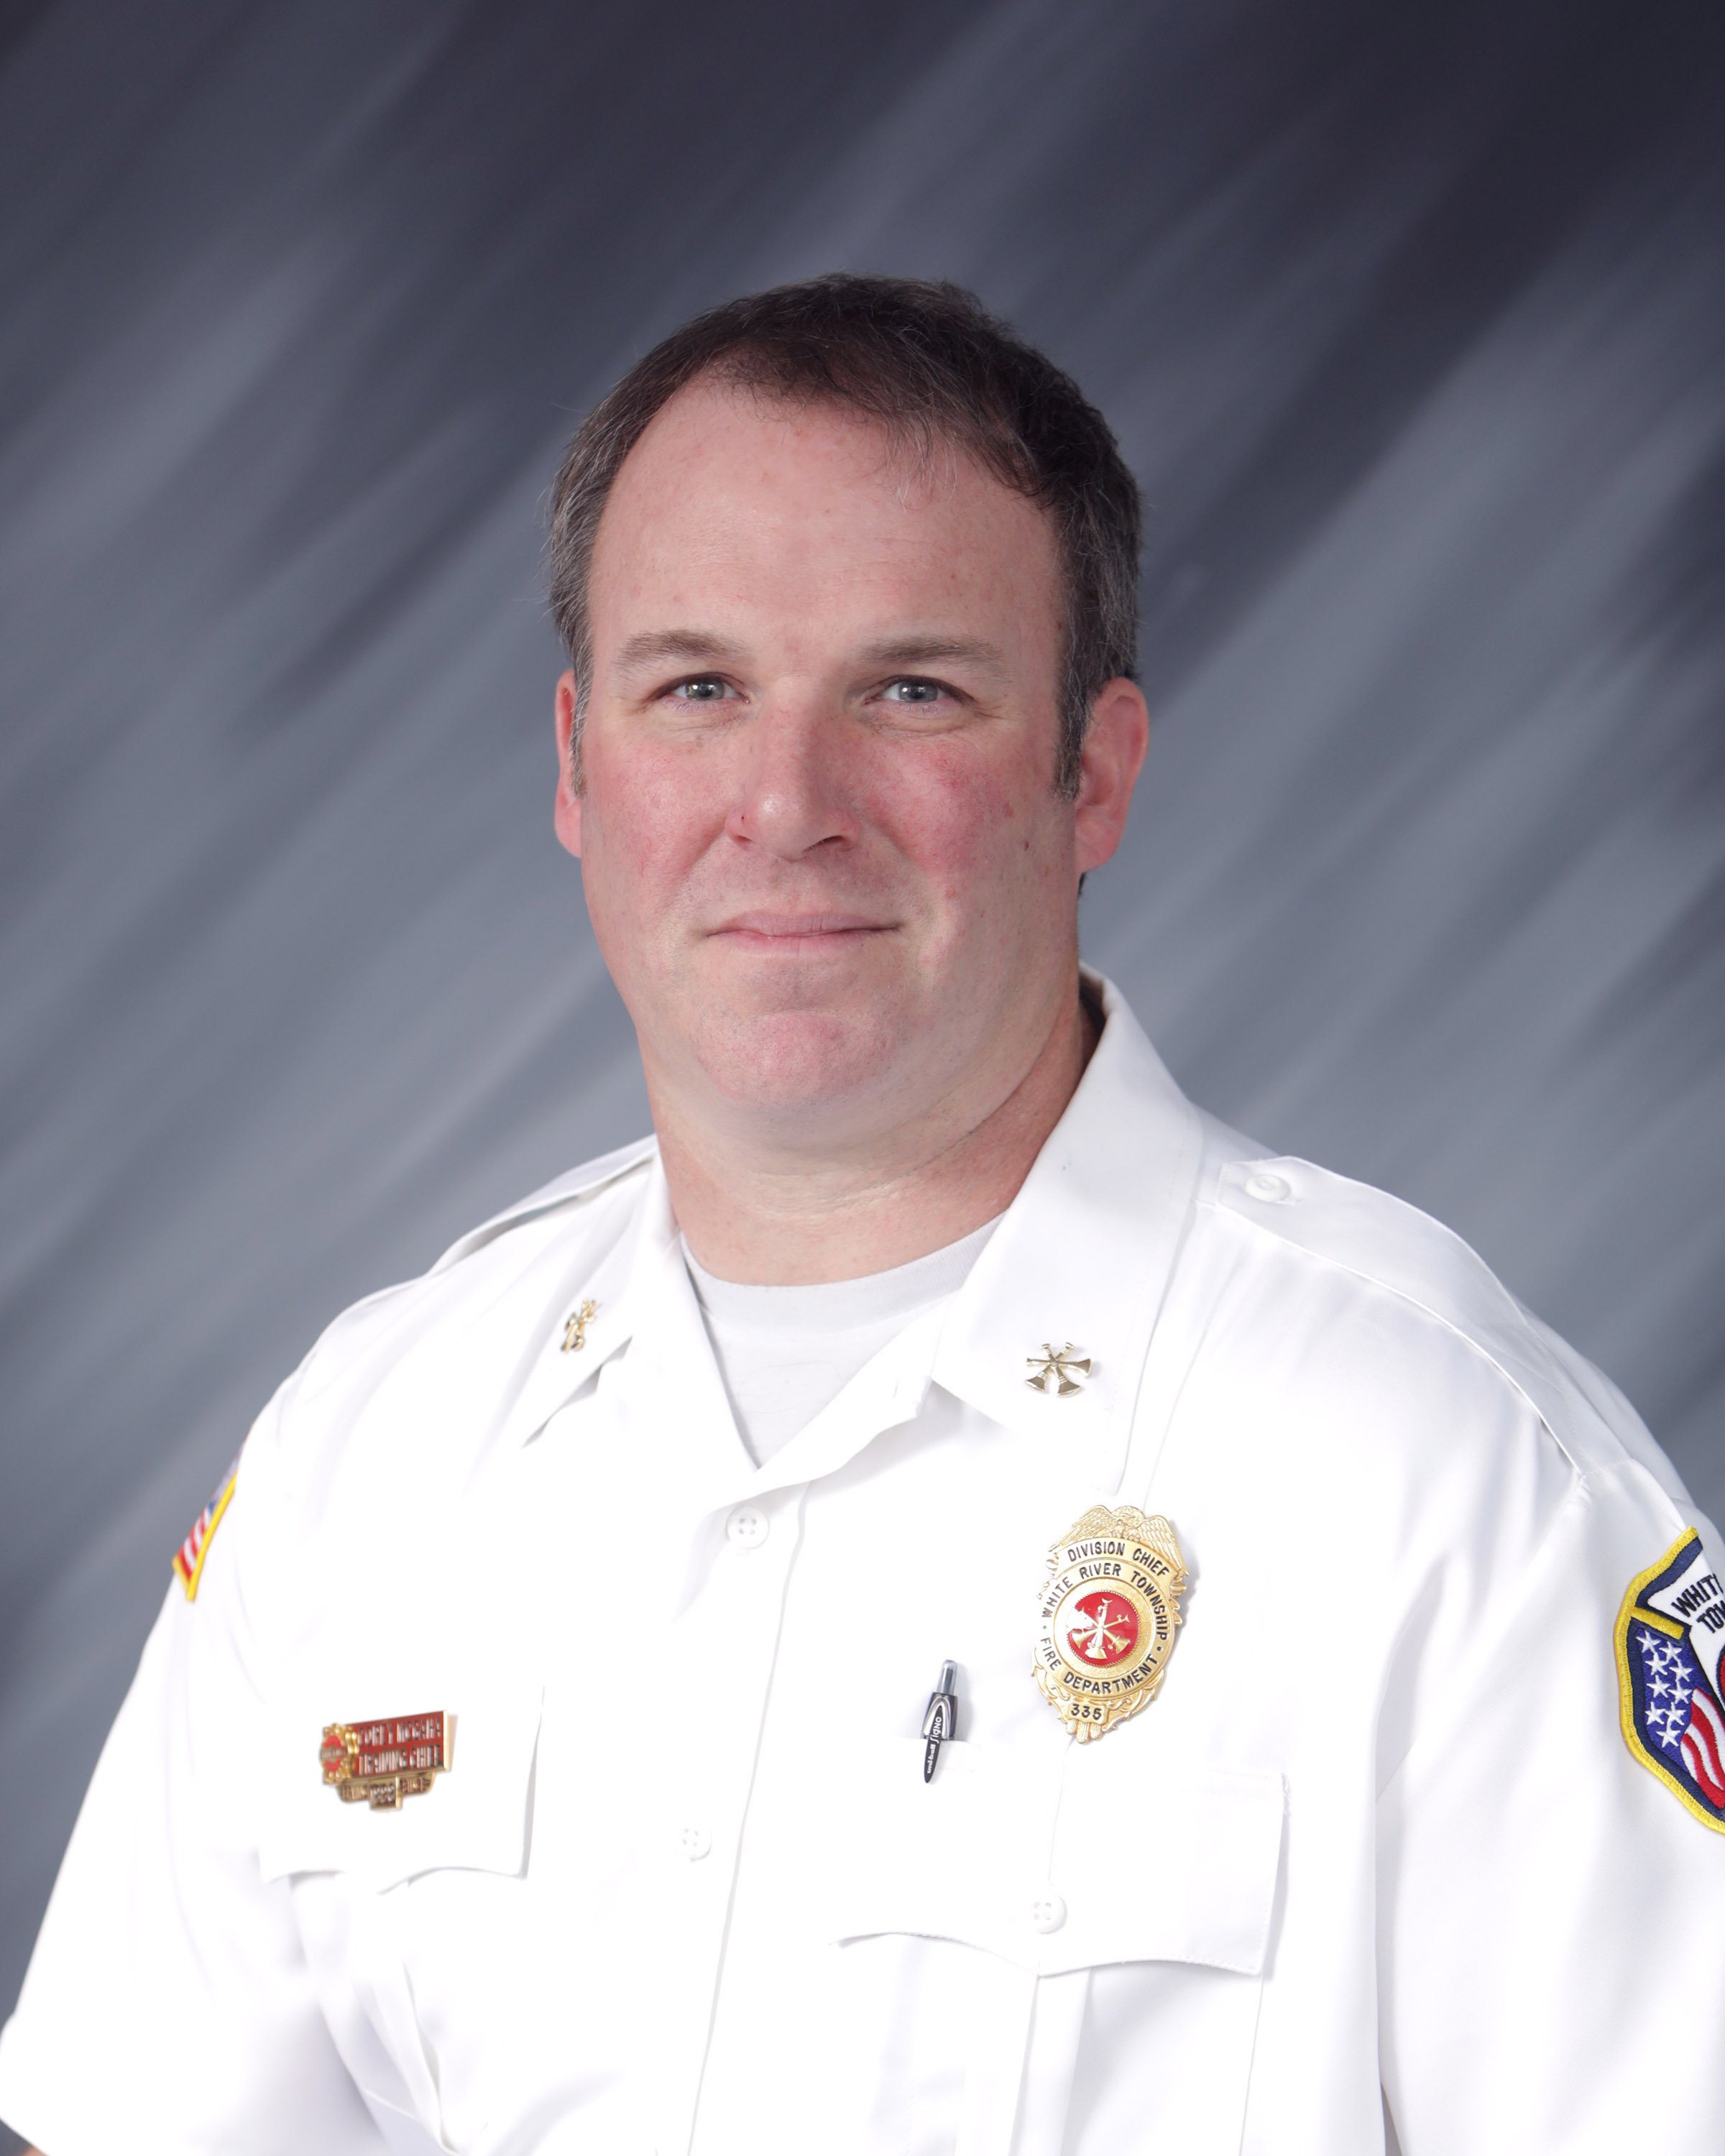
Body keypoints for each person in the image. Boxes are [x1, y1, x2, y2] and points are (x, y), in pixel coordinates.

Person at [1, 273, 1721, 2156]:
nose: (785, 803)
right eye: (699, 689)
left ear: (1096, 773)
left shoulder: (1440, 1466)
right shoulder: (369, 1459)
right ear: (579, 767)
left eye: (912, 690)